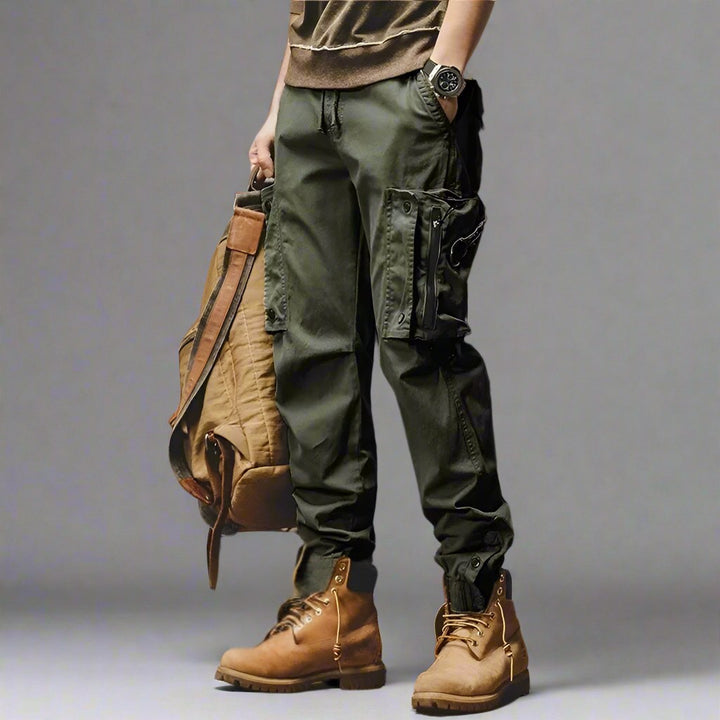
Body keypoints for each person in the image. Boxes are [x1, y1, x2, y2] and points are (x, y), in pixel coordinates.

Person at [215, 1, 530, 713]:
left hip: (405, 86)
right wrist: (283, 101)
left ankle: (481, 611)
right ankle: (335, 608)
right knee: (310, 350)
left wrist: (444, 76)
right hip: (309, 100)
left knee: (420, 347)